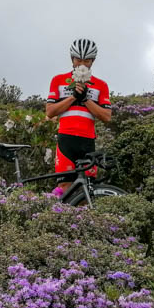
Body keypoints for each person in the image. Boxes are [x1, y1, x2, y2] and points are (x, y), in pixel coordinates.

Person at [45, 38, 112, 194]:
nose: (82, 64)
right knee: (65, 189)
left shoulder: (101, 85)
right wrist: (73, 97)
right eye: (78, 59)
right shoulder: (59, 80)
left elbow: (106, 116)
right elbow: (50, 111)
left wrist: (86, 100)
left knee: (87, 190)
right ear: (72, 59)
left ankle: (83, 218)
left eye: (87, 60)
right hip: (65, 141)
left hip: (87, 141)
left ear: (93, 61)